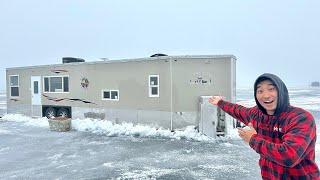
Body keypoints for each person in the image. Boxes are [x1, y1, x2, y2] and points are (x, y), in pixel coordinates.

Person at [209, 73, 319, 179]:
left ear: (281, 91)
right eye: (260, 91)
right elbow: (238, 111)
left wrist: (253, 139)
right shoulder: (257, 115)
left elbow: (289, 156)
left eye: (271, 89)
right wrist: (220, 102)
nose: (266, 95)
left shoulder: (300, 118)